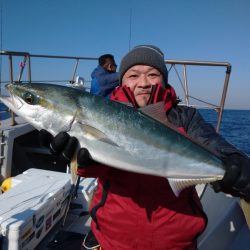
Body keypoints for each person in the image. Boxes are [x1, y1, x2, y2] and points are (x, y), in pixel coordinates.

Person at [39, 45, 250, 250]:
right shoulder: (103, 114)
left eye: (152, 74)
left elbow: (214, 144)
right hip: (112, 238)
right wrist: (79, 158)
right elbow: (94, 166)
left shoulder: (185, 117)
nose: (143, 83)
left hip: (175, 241)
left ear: (164, 80)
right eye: (133, 76)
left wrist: (236, 164)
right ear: (121, 81)